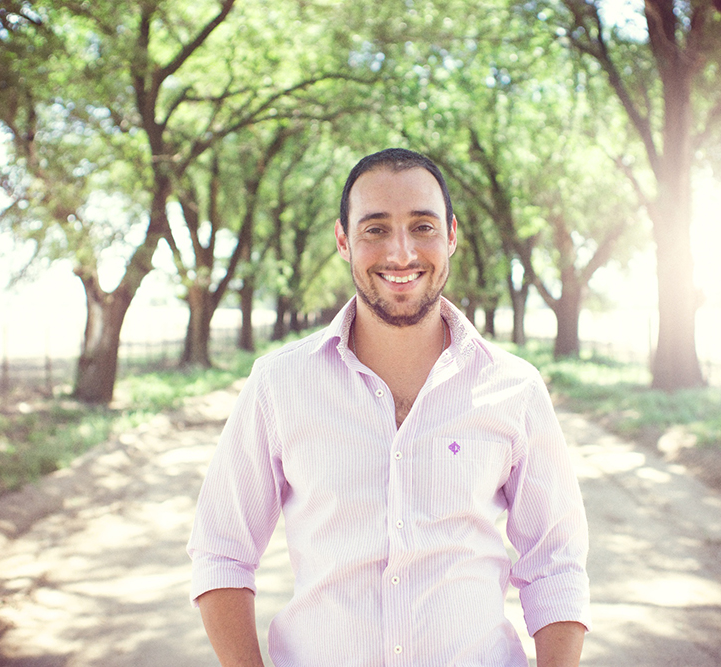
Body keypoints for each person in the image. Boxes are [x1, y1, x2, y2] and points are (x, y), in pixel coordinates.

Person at [187, 148, 590, 666]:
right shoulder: (278, 385)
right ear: (343, 240)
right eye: (375, 229)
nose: (401, 253)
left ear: (451, 236)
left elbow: (555, 564)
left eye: (422, 226)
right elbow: (223, 550)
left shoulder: (515, 389)